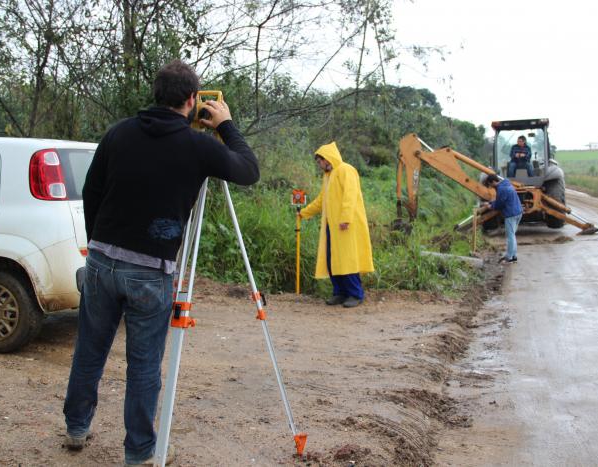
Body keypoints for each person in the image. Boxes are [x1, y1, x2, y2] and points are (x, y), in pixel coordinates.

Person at [63, 59, 259, 466]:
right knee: (144, 366)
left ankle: (76, 428)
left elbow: (91, 189)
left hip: (101, 262)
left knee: (89, 351)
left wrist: (97, 242)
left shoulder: (119, 133)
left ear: (156, 94)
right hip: (151, 273)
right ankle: (137, 454)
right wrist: (225, 125)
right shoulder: (200, 146)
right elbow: (248, 169)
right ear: (193, 100)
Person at [299, 142, 373, 308]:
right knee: (332, 260)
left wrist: (345, 219)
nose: (319, 165)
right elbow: (321, 201)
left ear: (327, 159)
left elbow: (350, 195)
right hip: (331, 226)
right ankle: (339, 293)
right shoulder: (328, 176)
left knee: (347, 260)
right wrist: (304, 213)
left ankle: (355, 294)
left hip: (346, 225)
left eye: (320, 162)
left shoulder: (346, 170)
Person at [483, 174, 523, 263]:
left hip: (511, 214)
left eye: (490, 185)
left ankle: (509, 257)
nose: (491, 187)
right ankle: (514, 256)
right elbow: (501, 200)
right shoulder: (506, 184)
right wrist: (491, 202)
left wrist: (490, 206)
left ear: (493, 182)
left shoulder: (501, 189)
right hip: (518, 212)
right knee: (512, 235)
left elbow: (499, 204)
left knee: (510, 236)